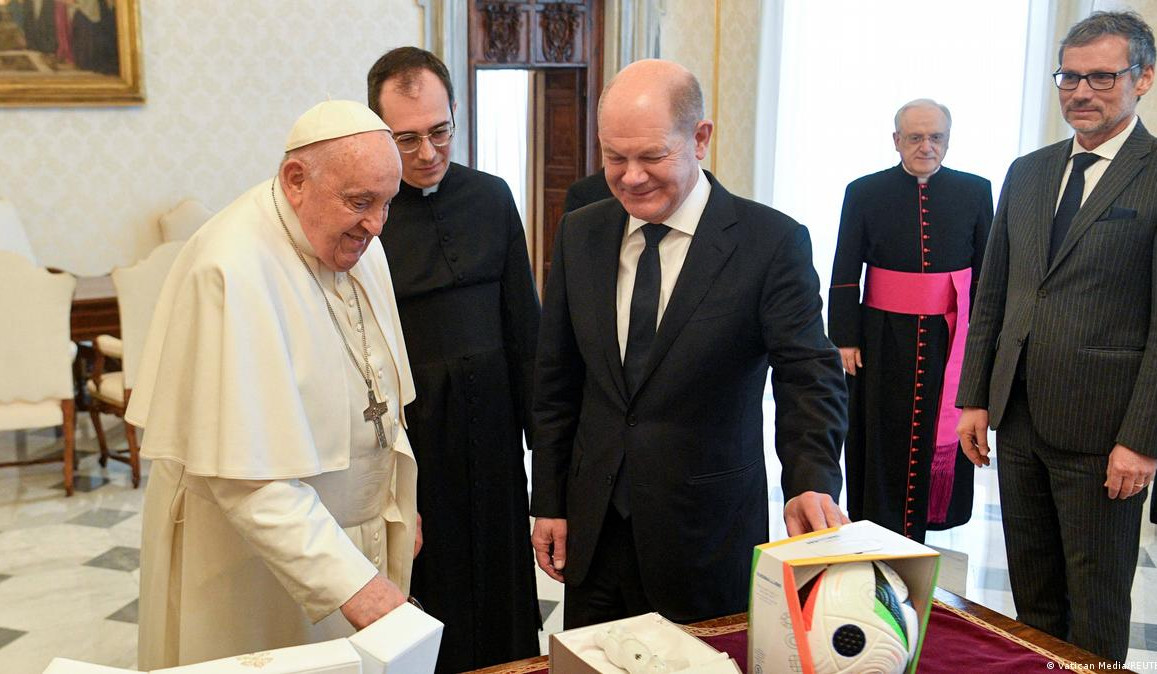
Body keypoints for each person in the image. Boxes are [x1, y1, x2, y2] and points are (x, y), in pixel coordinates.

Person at [531, 59, 848, 629]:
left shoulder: (769, 242)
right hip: (595, 528)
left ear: (700, 138)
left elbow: (808, 374)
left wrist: (810, 478)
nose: (630, 177)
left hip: (705, 534)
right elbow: (557, 379)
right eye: (613, 157)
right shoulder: (581, 232)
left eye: (652, 156)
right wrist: (550, 499)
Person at [126, 100, 420, 668]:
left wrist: (396, 503)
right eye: (361, 202)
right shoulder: (231, 268)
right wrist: (351, 584)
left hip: (351, 541)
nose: (378, 225)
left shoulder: (360, 241)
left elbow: (381, 398)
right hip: (252, 562)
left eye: (388, 203)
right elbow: (246, 477)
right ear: (296, 180)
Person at [956, 10, 1157, 663]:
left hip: (1104, 435)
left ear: (1143, 79)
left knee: (1094, 606)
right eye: (1067, 76)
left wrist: (1141, 439)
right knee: (1033, 601)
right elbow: (994, 293)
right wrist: (974, 398)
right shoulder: (1029, 171)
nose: (1080, 91)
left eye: (1100, 76)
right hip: (1016, 421)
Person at [366, 47, 541, 672]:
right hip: (418, 444)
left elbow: (525, 329)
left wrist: (543, 448)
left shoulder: (492, 198)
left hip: (494, 433)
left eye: (440, 132)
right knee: (430, 585)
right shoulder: (370, 218)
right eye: (406, 139)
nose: (427, 152)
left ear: (455, 115)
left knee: (500, 577)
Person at [829, 99, 992, 542]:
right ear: (896, 140)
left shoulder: (976, 191)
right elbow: (845, 269)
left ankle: (931, 523)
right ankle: (875, 525)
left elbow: (987, 276)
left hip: (949, 336)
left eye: (935, 137)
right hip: (882, 336)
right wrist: (843, 337)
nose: (926, 146)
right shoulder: (864, 191)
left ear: (948, 139)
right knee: (881, 431)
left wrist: (982, 344)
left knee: (937, 429)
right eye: (915, 137)